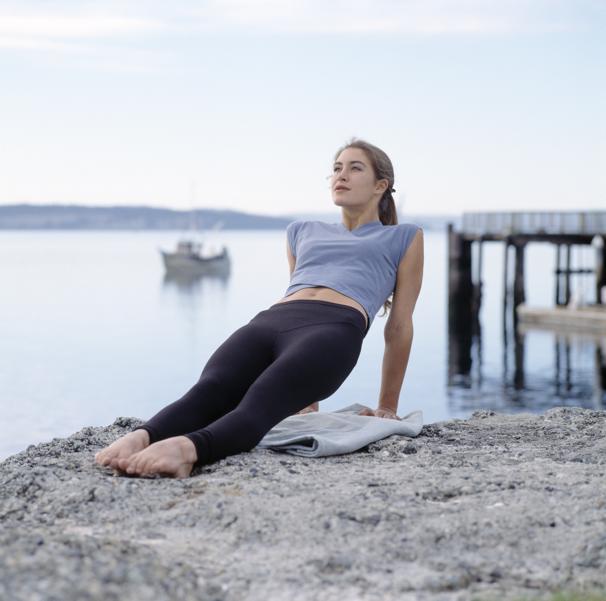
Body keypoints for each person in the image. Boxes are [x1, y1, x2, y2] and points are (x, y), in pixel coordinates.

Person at [95, 138, 424, 479]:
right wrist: (306, 398)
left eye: (355, 168)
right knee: (210, 389)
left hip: (333, 329)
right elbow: (296, 285)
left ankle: (188, 450)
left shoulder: (403, 237)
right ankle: (141, 437)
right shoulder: (301, 230)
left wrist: (387, 406)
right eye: (337, 168)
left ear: (380, 186)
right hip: (270, 322)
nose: (342, 175)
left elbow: (399, 326)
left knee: (261, 404)